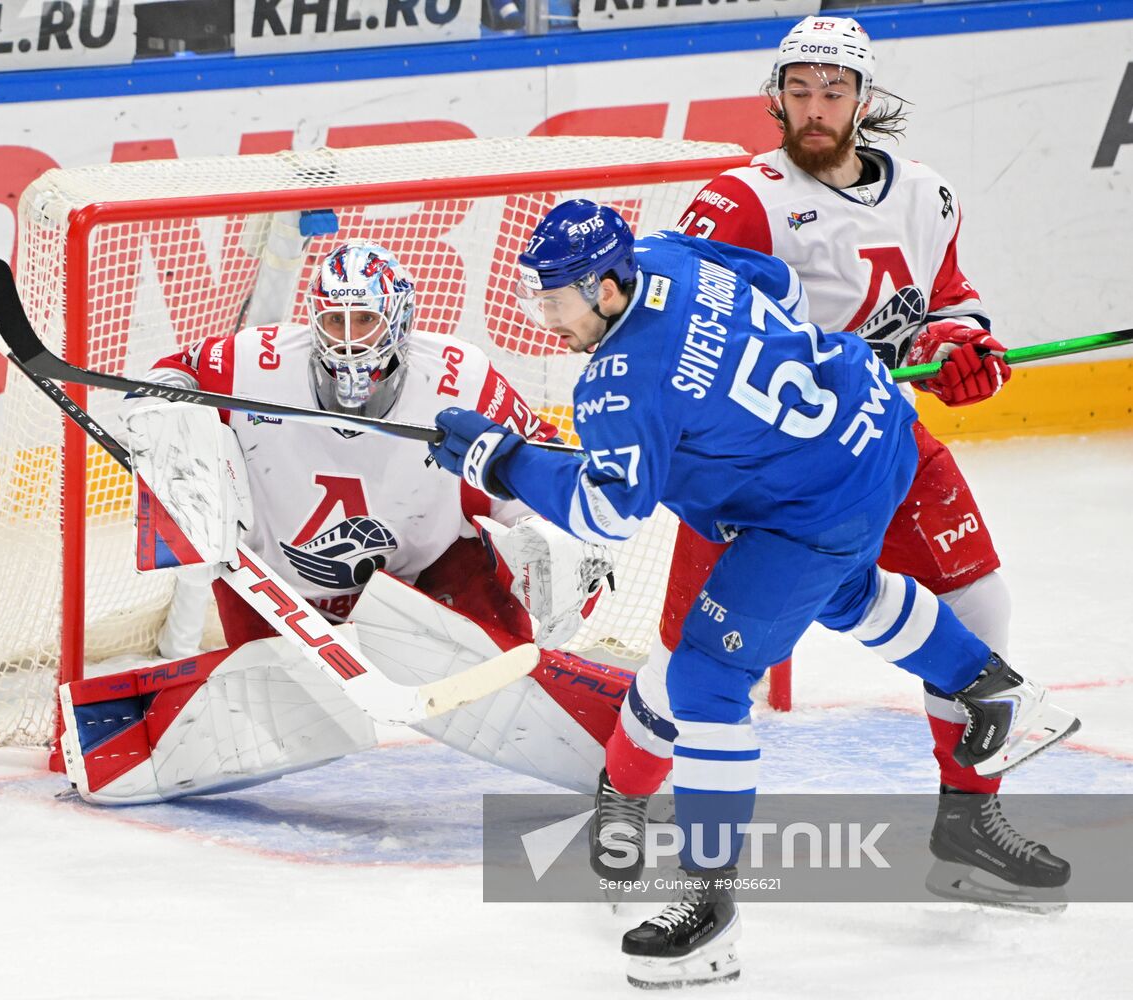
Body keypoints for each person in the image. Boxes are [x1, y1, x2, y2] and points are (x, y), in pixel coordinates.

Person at [426, 199, 1079, 987]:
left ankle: (709, 913)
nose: (544, 320)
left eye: (555, 300)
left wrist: (500, 461)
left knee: (705, 680)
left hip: (810, 506)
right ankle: (997, 692)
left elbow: (606, 513)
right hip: (875, 426)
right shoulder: (668, 254)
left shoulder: (620, 384)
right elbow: (776, 284)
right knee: (847, 595)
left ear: (605, 288)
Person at [587, 14, 1066, 909]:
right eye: (799, 91)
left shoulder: (929, 195)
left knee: (979, 604)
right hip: (758, 468)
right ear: (777, 97)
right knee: (690, 665)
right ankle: (625, 796)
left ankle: (966, 824)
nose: (815, 109)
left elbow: (948, 298)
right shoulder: (740, 200)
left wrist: (961, 346)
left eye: (833, 91)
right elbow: (683, 317)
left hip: (883, 445)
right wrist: (828, 354)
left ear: (864, 98)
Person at [65, 239, 622, 804]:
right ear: (314, 318)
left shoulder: (461, 376)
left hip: (422, 572)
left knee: (500, 673)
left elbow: (539, 469)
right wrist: (162, 415)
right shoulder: (253, 361)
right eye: (335, 319)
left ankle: (628, 747)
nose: (350, 339)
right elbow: (171, 375)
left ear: (400, 319)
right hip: (271, 584)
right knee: (289, 709)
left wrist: (557, 547)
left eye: (365, 318)